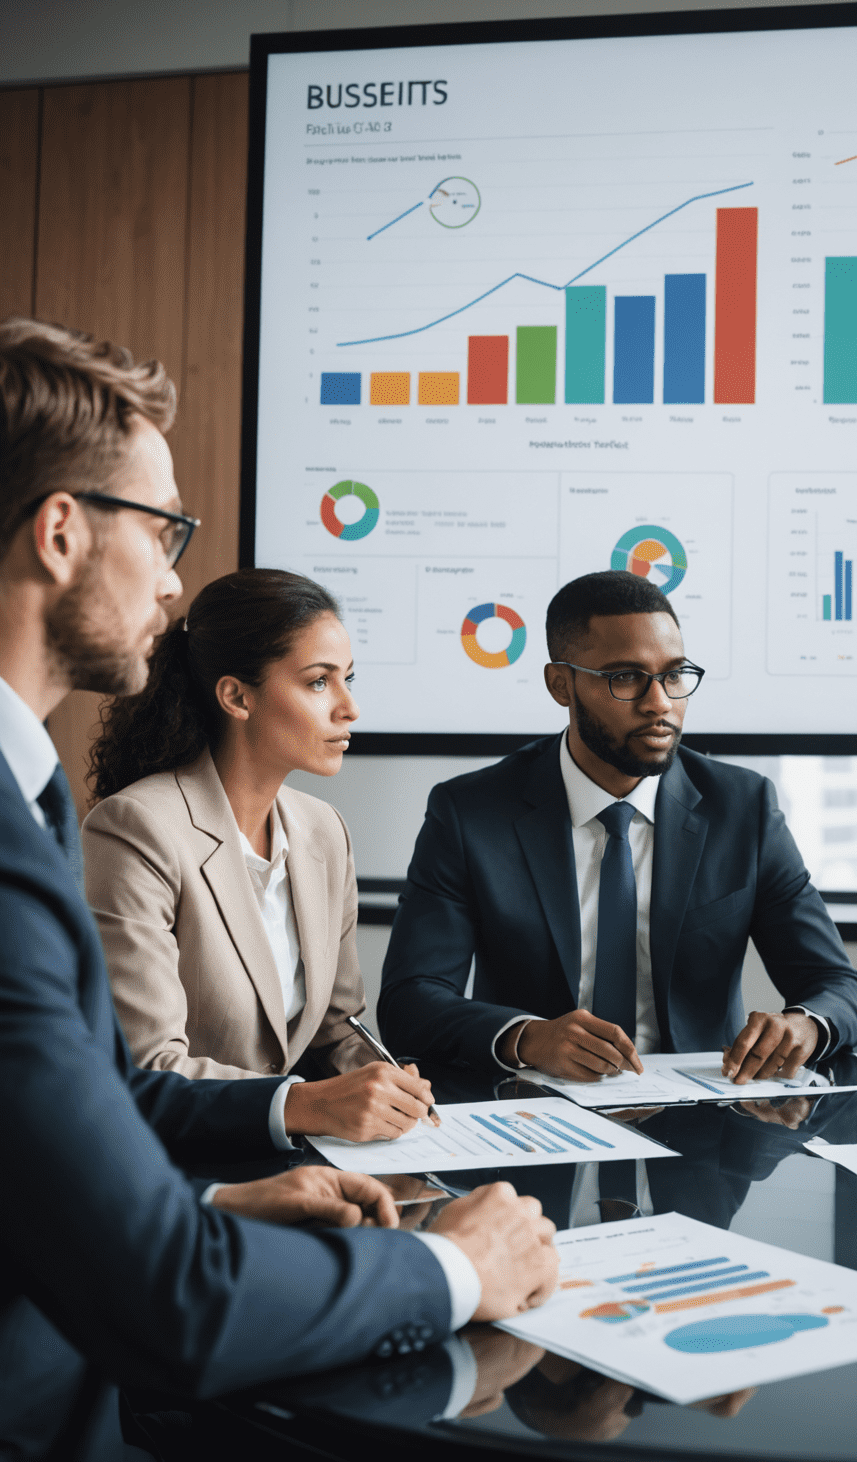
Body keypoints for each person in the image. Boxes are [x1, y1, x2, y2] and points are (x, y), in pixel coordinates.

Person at [0, 316, 558, 1459]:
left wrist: (209, 1205)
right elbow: (172, 1302)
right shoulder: (87, 824)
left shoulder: (33, 795)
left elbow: (62, 1126)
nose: (172, 579)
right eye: (164, 531)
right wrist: (456, 1264)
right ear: (60, 531)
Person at [379, 570, 857, 1084]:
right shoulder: (470, 813)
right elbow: (410, 1003)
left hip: (702, 1125)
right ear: (560, 685)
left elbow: (837, 986)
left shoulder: (743, 809)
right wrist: (526, 1036)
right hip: (533, 1118)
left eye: (675, 675)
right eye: (626, 677)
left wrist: (805, 1026)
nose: (660, 702)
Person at [81, 567, 434, 1143]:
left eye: (348, 679)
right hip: (175, 1167)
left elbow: (333, 1029)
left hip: (295, 1159)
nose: (349, 708)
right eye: (320, 682)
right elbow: (147, 1068)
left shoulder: (325, 831)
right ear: (237, 696)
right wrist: (306, 1105)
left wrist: (383, 1082)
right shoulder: (135, 829)